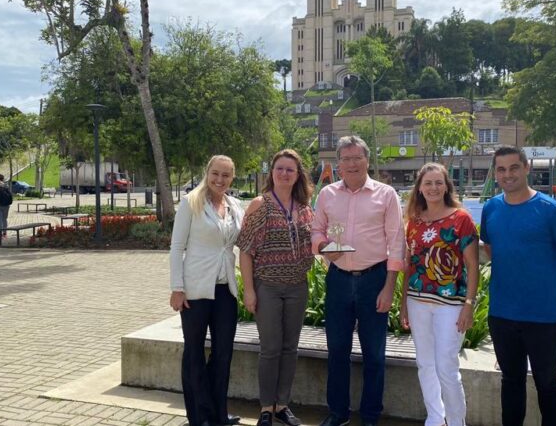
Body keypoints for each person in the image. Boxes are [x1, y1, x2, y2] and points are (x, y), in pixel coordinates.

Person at [480, 146, 556, 426]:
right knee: (511, 381)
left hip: (542, 316)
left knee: (547, 382)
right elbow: (491, 248)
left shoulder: (552, 211)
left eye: (514, 167)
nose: (507, 174)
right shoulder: (491, 208)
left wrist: (549, 282)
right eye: (501, 169)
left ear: (526, 168)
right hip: (502, 314)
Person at [311, 136, 405, 426]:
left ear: (367, 160)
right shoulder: (326, 194)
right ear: (338, 163)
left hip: (374, 279)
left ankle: (370, 415)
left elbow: (396, 242)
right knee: (337, 350)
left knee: (374, 354)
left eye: (357, 158)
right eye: (346, 158)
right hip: (338, 279)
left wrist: (389, 286)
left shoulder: (386, 194)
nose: (352, 164)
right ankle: (338, 413)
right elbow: (316, 232)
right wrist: (325, 248)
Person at [237, 149, 315, 426]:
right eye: (279, 168)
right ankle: (266, 408)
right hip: (267, 286)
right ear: (272, 172)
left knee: (290, 348)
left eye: (290, 170)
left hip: (297, 287)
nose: (284, 173)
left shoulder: (305, 208)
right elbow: (245, 250)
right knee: (270, 348)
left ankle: (282, 405)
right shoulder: (260, 204)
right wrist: (249, 290)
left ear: (298, 175)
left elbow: (315, 244)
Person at [401, 163, 478, 426]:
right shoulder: (413, 221)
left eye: (438, 182)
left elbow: (472, 265)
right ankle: (435, 418)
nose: (433, 188)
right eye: (428, 183)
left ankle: (457, 422)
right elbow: (409, 266)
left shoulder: (461, 219)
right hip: (417, 302)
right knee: (425, 364)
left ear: (446, 186)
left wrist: (469, 304)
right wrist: (403, 305)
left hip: (451, 305)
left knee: (447, 368)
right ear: (420, 188)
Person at [169, 155, 244, 426]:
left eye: (226, 175)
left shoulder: (235, 205)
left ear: (232, 178)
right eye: (215, 173)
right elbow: (177, 248)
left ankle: (218, 413)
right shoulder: (191, 203)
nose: (219, 180)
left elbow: (245, 241)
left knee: (223, 353)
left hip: (225, 289)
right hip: (195, 289)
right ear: (207, 172)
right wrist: (177, 288)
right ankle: (199, 417)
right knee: (194, 353)